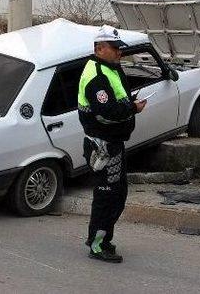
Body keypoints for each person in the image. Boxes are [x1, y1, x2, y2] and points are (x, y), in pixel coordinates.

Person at [78, 25, 147, 263]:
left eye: (120, 48)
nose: (120, 53)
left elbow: (117, 100)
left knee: (118, 194)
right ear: (100, 48)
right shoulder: (96, 76)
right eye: (115, 48)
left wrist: (129, 102)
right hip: (102, 147)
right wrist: (131, 108)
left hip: (114, 144)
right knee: (107, 196)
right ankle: (97, 244)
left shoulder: (111, 69)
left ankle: (103, 238)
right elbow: (105, 112)